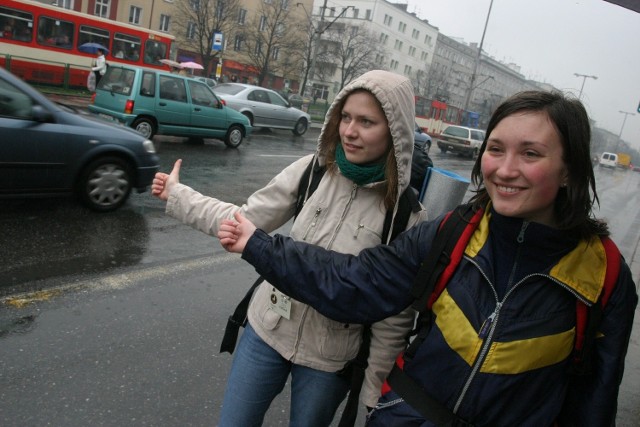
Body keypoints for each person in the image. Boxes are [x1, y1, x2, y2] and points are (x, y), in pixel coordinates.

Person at [218, 90, 638, 426]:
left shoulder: (605, 274)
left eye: (530, 154)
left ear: (568, 168)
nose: (505, 170)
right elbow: (354, 282)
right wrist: (259, 244)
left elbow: (593, 400)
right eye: (495, 149)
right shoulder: (453, 232)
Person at [151, 70, 427, 426]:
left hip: (330, 360)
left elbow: (393, 317)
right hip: (266, 329)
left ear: (395, 132)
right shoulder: (312, 171)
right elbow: (242, 222)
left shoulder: (405, 216)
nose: (349, 131)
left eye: (366, 122)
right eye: (345, 116)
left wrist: (375, 397)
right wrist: (178, 194)